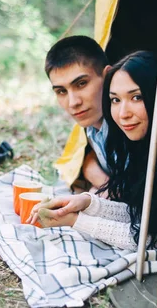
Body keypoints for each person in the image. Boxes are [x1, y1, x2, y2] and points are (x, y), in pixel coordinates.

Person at [30, 51, 157, 250]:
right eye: (115, 100)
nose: (123, 114)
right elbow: (141, 214)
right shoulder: (144, 137)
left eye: (137, 97)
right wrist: (87, 203)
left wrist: (75, 221)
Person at [45, 35, 112, 193]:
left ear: (108, 76)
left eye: (81, 84)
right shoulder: (92, 126)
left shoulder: (129, 124)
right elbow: (86, 157)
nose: (73, 102)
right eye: (62, 91)